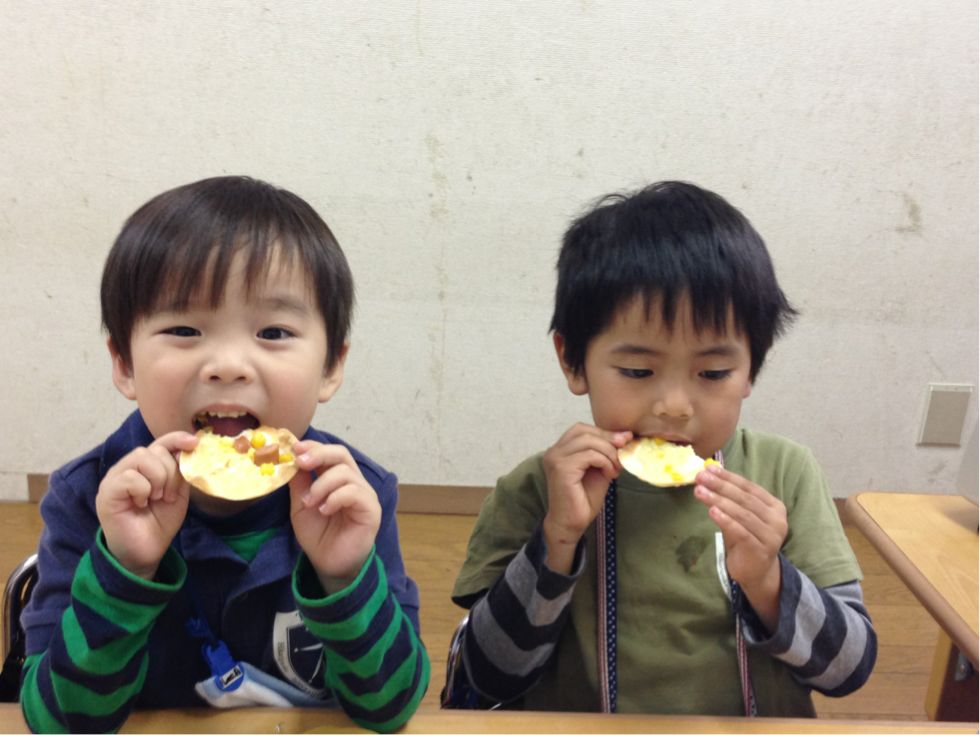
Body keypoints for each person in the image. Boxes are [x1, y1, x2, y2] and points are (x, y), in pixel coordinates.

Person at [449, 181, 876, 716]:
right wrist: (556, 540)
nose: (675, 406)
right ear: (572, 361)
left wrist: (769, 581)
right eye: (637, 371)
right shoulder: (537, 489)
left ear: (751, 369)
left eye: (713, 373)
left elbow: (849, 670)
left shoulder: (784, 474)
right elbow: (491, 672)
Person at [20, 176, 429, 733]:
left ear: (331, 366)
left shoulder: (352, 499)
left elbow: (391, 709)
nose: (229, 365)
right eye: (184, 328)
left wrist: (345, 576)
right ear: (124, 364)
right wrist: (127, 569)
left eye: (274, 332)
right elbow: (56, 722)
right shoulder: (90, 497)